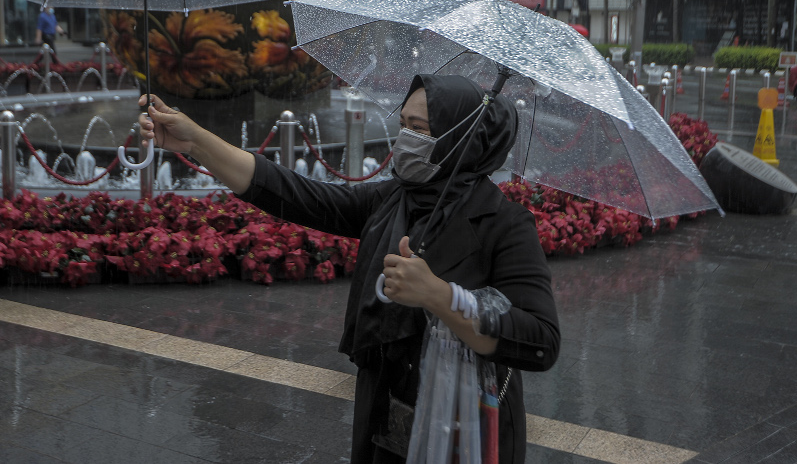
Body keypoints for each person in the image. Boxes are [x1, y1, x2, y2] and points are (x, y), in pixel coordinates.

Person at [138, 74, 560, 464]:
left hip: (465, 429)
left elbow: (541, 339)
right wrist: (195, 142)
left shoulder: (504, 224)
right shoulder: (394, 199)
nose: (405, 138)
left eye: (421, 129)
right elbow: (296, 193)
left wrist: (441, 296)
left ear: (460, 140)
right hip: (385, 417)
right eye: (404, 123)